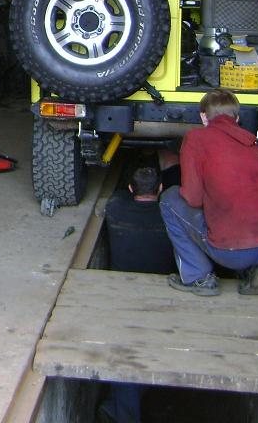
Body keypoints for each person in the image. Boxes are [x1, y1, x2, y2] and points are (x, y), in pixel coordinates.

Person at [159, 89, 258, 296]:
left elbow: (193, 198)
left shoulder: (196, 138)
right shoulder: (252, 143)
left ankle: (198, 278)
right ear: (237, 118)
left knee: (169, 199)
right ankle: (254, 271)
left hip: (230, 251)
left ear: (203, 117)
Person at [98, 161, 176, 423]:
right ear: (161, 188)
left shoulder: (116, 208)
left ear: (131, 188)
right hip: (161, 296)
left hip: (123, 294)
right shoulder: (170, 215)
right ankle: (121, 412)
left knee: (128, 354)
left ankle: (116, 408)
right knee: (143, 355)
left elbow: (116, 196)